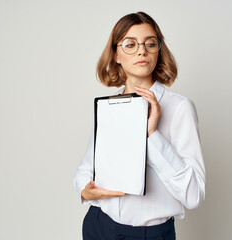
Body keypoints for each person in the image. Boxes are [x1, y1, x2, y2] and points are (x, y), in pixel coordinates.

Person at [74, 11, 205, 240]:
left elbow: (193, 195)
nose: (142, 50)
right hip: (98, 225)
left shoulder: (179, 108)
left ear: (158, 51)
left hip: (150, 234)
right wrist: (84, 188)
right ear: (116, 55)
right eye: (130, 44)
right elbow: (86, 168)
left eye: (150, 43)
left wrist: (151, 135)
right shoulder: (108, 106)